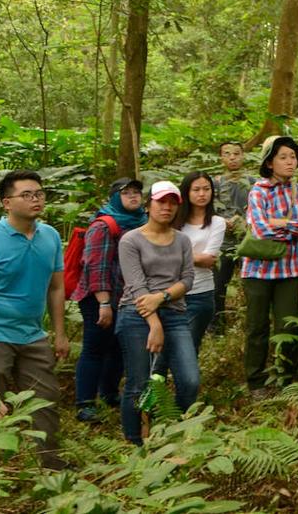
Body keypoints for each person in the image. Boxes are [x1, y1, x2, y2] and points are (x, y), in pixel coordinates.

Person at [0, 171, 66, 468]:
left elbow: (56, 287)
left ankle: (50, 467)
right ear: (7, 203)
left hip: (33, 334)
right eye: (27, 195)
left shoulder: (51, 236)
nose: (36, 199)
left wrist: (59, 333)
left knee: (45, 400)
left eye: (40, 193)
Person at [116, 181, 197, 445]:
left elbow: (187, 280)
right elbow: (136, 285)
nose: (167, 207)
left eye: (172, 202)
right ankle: (134, 441)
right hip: (135, 314)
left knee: (189, 380)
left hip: (174, 313)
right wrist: (154, 324)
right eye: (162, 201)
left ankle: (174, 427)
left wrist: (161, 297)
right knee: (138, 382)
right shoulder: (131, 239)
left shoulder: (182, 240)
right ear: (149, 204)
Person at [243, 136, 298, 395]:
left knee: (288, 325)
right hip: (257, 270)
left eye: (293, 157)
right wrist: (296, 225)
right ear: (269, 163)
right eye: (283, 157)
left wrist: (283, 223)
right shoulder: (258, 191)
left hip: (289, 270)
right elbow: (261, 229)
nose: (291, 162)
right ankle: (255, 381)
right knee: (257, 327)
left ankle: (286, 378)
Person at [71, 177, 145, 423]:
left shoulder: (142, 222)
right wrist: (104, 303)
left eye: (137, 192)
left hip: (126, 297)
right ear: (115, 197)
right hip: (98, 296)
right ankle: (85, 403)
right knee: (95, 348)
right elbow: (96, 266)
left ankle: (109, 393)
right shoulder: (104, 225)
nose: (133, 197)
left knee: (118, 349)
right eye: (127, 193)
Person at [176, 172, 226, 354]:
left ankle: (187, 382)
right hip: (171, 292)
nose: (202, 194)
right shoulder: (175, 221)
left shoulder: (217, 222)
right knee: (164, 347)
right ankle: (157, 381)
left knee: (190, 346)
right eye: (196, 189)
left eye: (206, 189)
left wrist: (174, 255)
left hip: (201, 293)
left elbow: (208, 259)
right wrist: (193, 257)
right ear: (186, 192)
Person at [212, 141, 256, 331]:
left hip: (247, 242)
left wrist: (244, 219)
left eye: (236, 153)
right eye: (227, 154)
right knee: (218, 286)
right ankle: (217, 326)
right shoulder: (215, 183)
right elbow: (208, 209)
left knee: (251, 285)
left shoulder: (253, 182)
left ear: (243, 156)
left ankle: (250, 323)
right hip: (223, 243)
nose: (232, 158)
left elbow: (258, 208)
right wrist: (222, 221)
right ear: (221, 157)